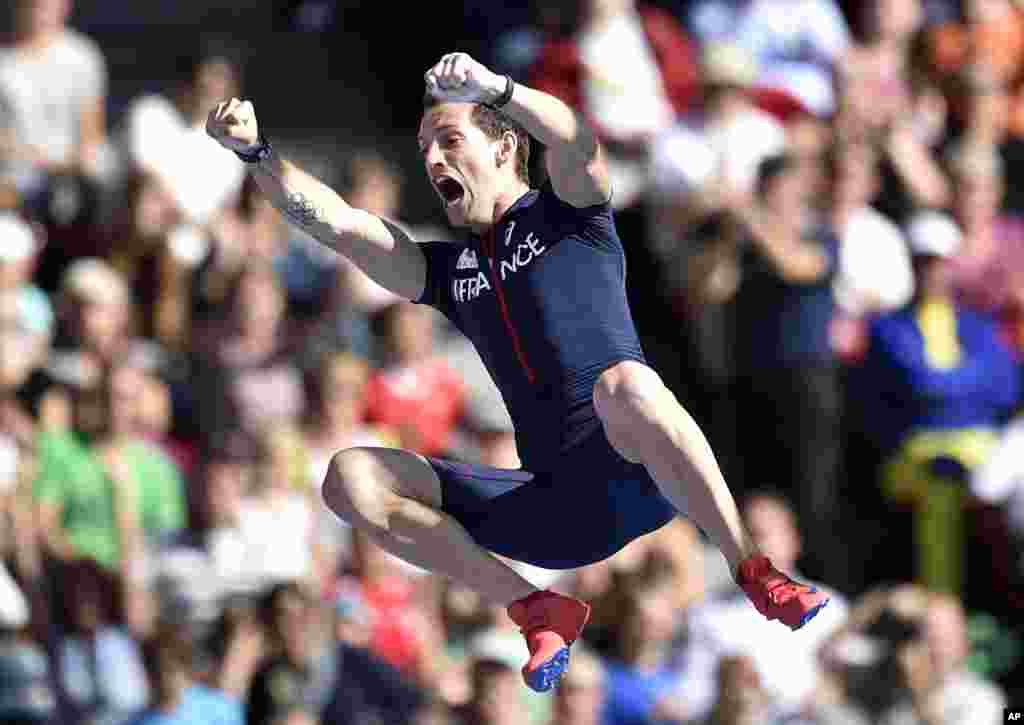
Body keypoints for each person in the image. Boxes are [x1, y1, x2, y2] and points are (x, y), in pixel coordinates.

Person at [205, 51, 829, 693]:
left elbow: (576, 138)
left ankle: (752, 567)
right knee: (349, 479)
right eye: (424, 147)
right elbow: (336, 223)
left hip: (641, 474)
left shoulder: (574, 218)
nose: (432, 159)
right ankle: (534, 607)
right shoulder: (449, 273)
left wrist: (499, 88)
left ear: (505, 146)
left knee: (626, 386)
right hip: (556, 514)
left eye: (449, 140)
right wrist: (257, 155)